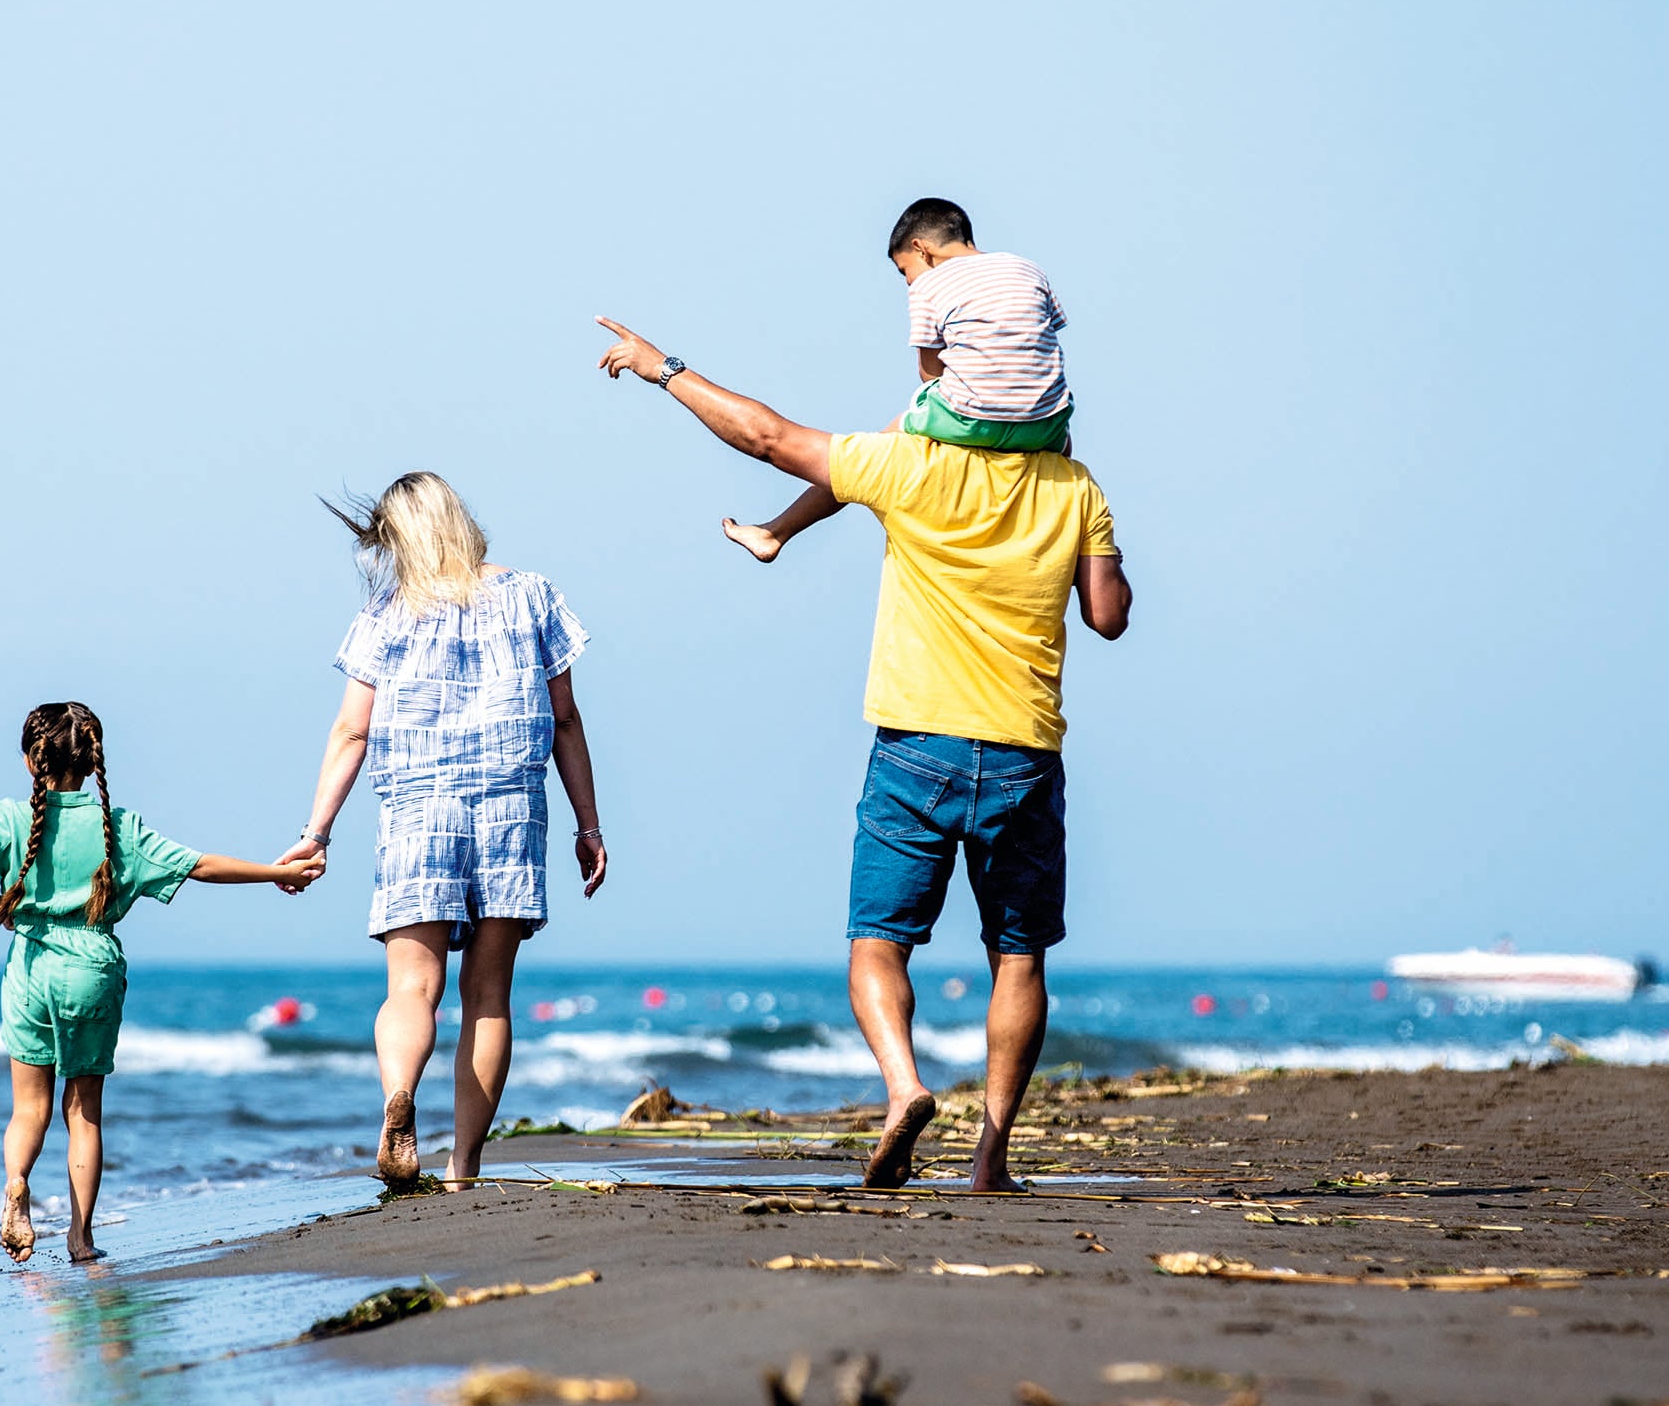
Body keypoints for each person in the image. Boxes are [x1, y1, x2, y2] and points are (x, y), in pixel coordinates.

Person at [594, 308, 1128, 1190]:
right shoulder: (1075, 487)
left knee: (879, 944)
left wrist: (664, 368)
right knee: (1018, 955)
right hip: (1025, 752)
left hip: (918, 743)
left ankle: (904, 1087)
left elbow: (764, 436)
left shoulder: (907, 465)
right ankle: (990, 1158)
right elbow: (1106, 618)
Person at [285, 473, 607, 1190]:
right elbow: (564, 719)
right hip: (509, 810)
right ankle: (462, 1167)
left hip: (414, 812)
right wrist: (588, 824)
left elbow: (351, 729)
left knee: (411, 989)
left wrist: (317, 831)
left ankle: (399, 1097)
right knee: (486, 996)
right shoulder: (533, 594)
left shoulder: (386, 612)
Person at [0, 701, 322, 1261]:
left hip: (29, 965)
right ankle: (80, 1236)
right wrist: (278, 873)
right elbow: (200, 865)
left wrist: (11, 911)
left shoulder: (8, 817)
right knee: (84, 1112)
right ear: (93, 757)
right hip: (91, 970)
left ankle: (17, 1184)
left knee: (29, 1109)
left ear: (33, 761)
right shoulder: (118, 827)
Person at [725, 198, 1074, 564]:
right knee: (1064, 466)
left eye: (903, 269)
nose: (907, 280)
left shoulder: (929, 285)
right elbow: (1043, 339)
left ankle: (775, 532)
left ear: (921, 249)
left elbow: (930, 374)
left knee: (867, 454)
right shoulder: (1028, 269)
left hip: (969, 418)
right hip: (1046, 425)